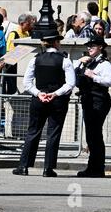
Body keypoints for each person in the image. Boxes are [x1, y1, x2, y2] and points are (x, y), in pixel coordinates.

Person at [12, 29, 75, 177]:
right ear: (56, 43)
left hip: (39, 99)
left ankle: (23, 166)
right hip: (57, 100)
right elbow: (70, 83)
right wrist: (55, 94)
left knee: (33, 131)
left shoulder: (35, 59)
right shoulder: (65, 60)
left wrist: (39, 93)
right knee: (53, 133)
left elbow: (27, 83)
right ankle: (48, 168)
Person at [75, 36, 111, 177]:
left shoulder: (104, 64)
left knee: (95, 135)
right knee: (91, 135)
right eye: (88, 45)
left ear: (101, 47)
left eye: (93, 45)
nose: (89, 47)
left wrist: (93, 76)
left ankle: (97, 168)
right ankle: (93, 167)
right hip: (88, 100)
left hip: (99, 100)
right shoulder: (88, 62)